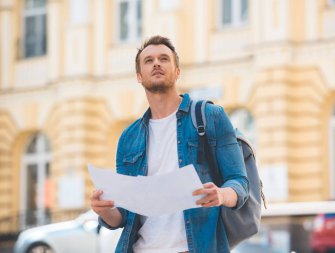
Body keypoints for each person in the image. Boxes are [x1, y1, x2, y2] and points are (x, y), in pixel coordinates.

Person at [90, 35, 249, 253]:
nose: (156, 63)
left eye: (164, 58)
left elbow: (240, 183)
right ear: (139, 76)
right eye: (148, 60)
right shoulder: (128, 138)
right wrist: (104, 211)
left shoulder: (210, 117)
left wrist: (221, 195)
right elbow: (125, 216)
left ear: (177, 72)